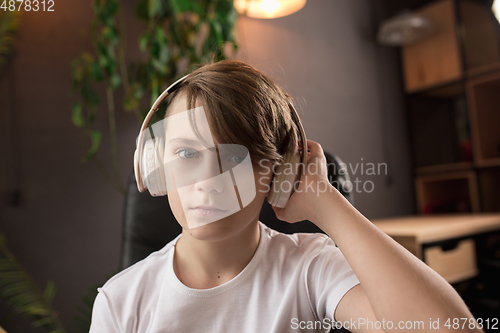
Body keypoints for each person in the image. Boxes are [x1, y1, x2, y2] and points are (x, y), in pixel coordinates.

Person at [90, 60, 482, 332]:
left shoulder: (309, 268)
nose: (207, 180)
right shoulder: (121, 303)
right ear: (154, 165)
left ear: (279, 172)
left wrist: (326, 201)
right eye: (187, 153)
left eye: (234, 159)